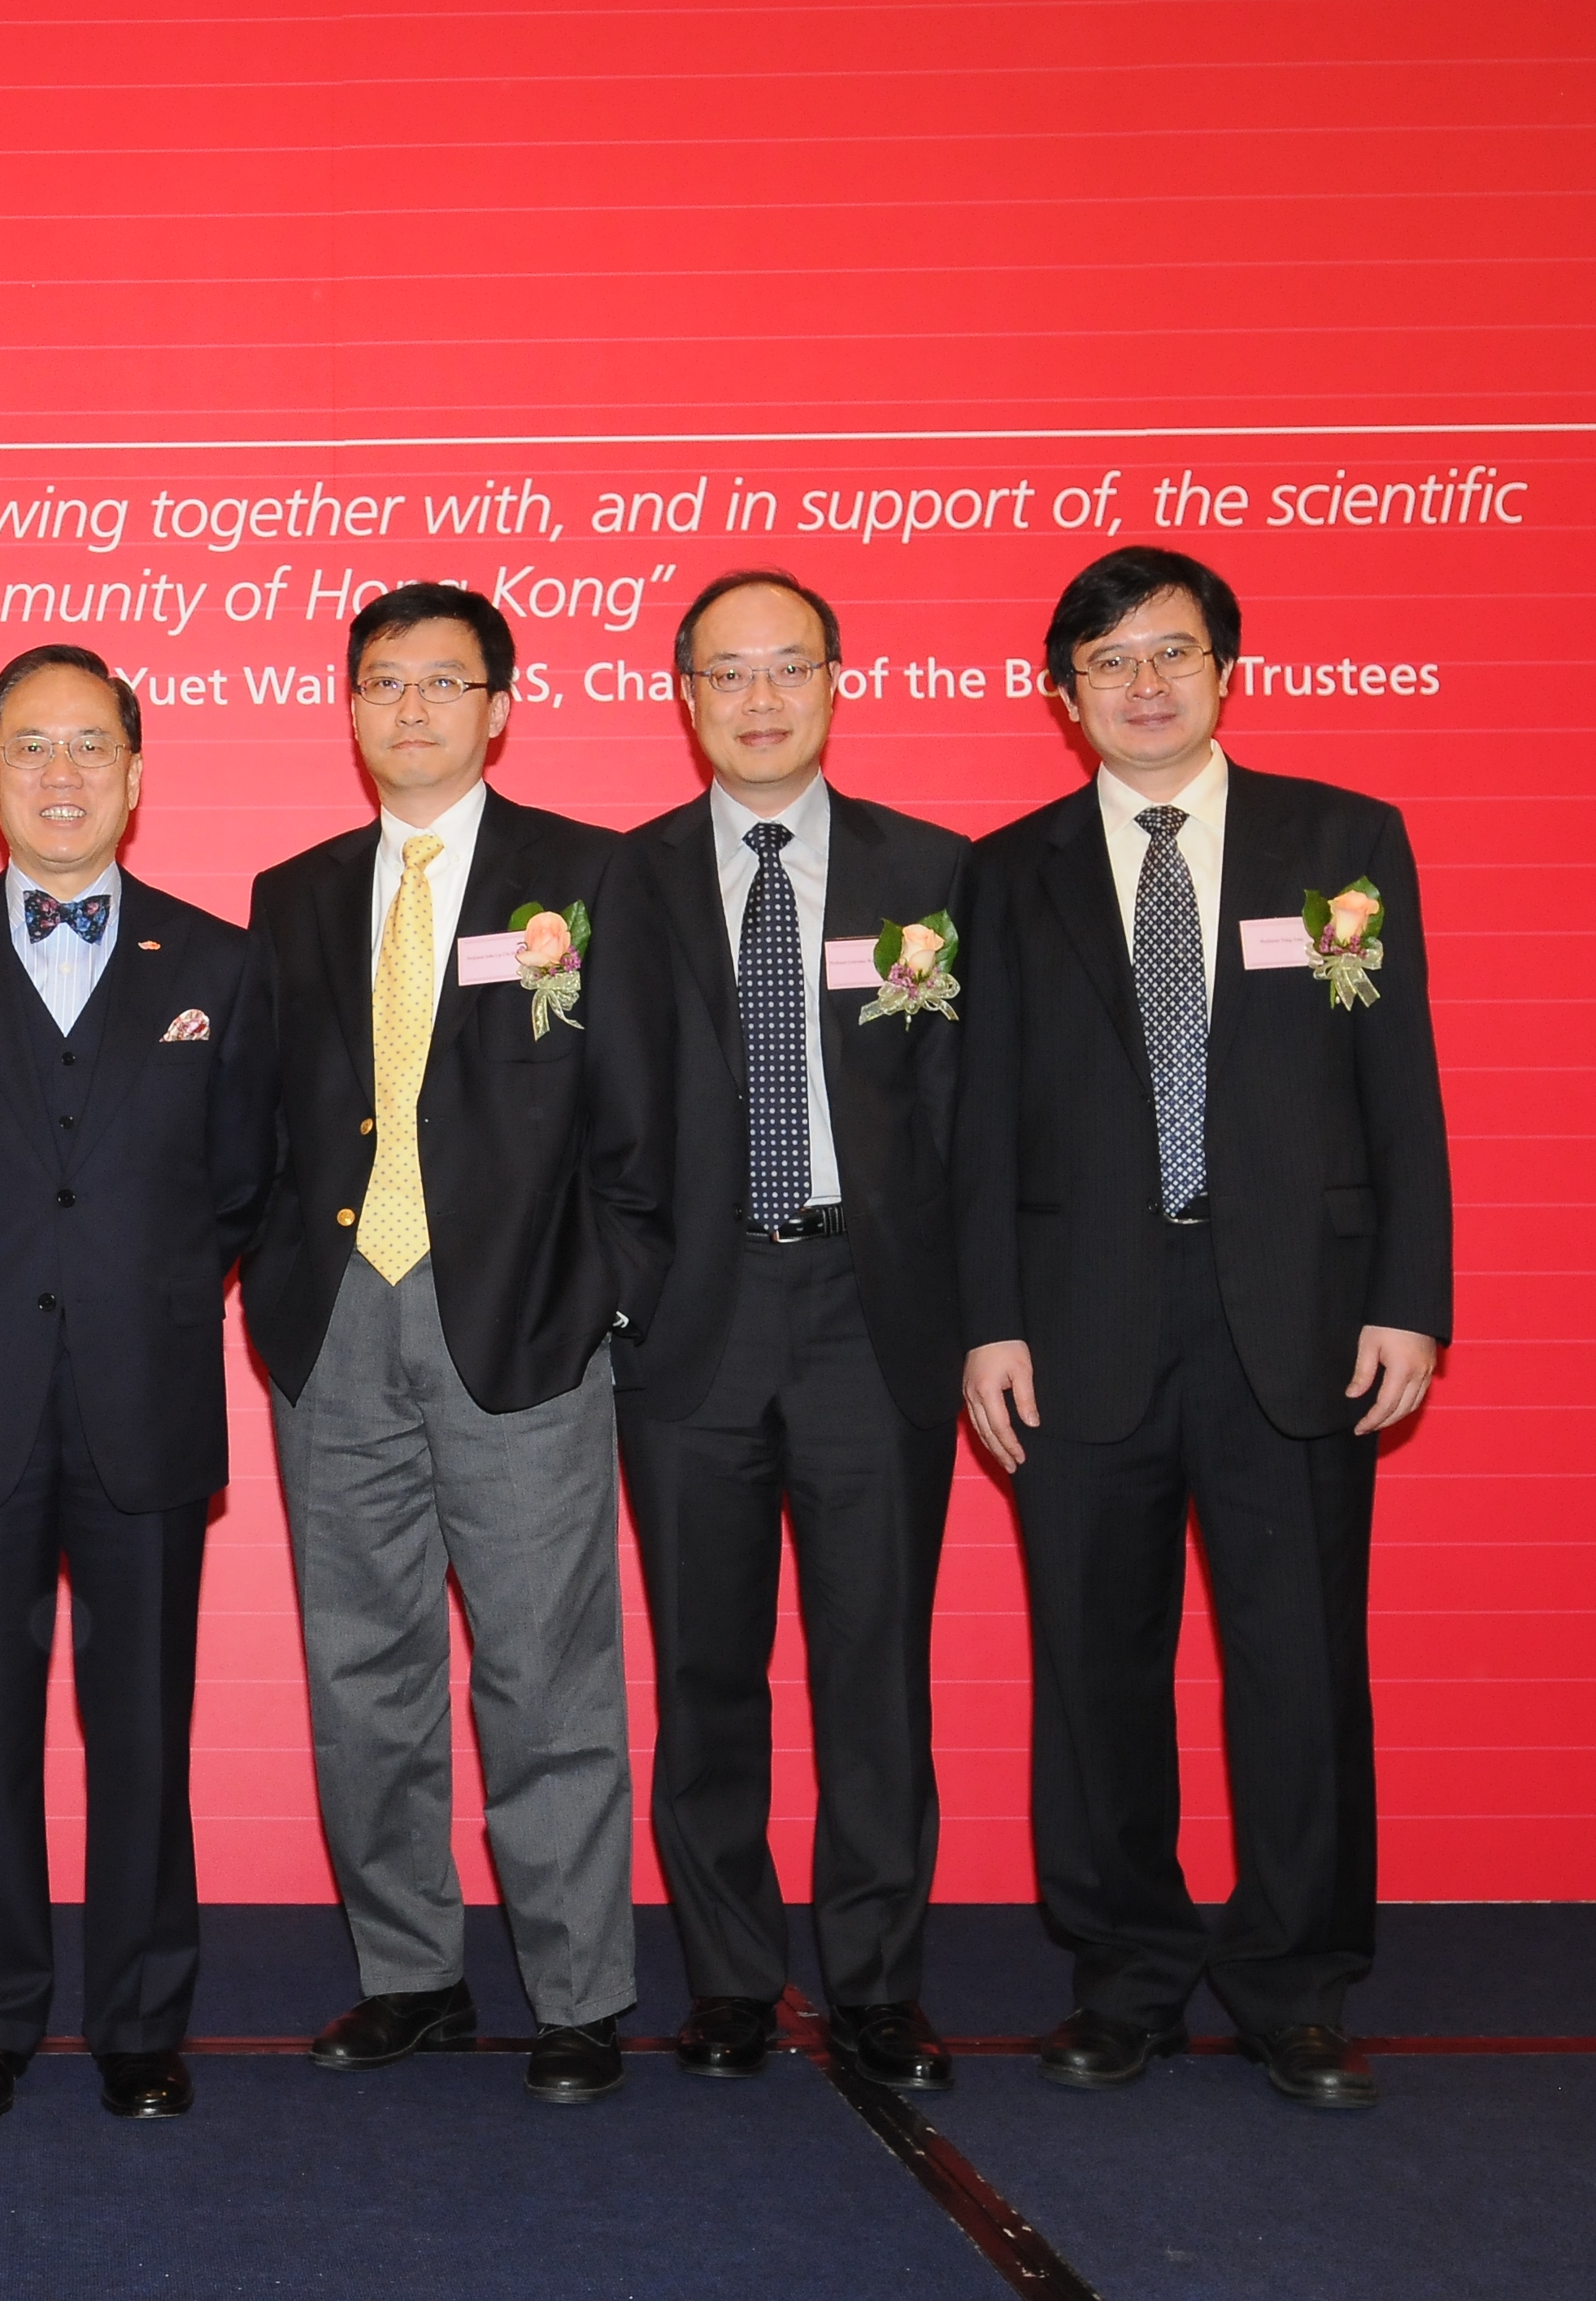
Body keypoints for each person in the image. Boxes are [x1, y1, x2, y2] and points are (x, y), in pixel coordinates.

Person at [956, 546, 1451, 2111]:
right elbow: (979, 1128)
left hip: (1297, 1321)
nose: (1145, 684)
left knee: (1298, 1667)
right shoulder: (1011, 867)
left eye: (1171, 653)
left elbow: (1404, 1093)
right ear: (1063, 695)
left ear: (1227, 670)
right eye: (1108, 663)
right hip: (1082, 1321)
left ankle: (1297, 1984)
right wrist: (988, 1323)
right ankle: (1127, 1977)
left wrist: (1411, 1300)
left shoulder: (1339, 844)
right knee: (1096, 1669)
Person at [0, 644, 276, 2122]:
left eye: (91, 746)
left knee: (145, 1729)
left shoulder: (217, 961)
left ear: (138, 775)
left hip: (146, 1399)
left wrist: (129, 1290)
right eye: (30, 748)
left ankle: (143, 2020)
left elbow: (238, 1187)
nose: (61, 775)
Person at [241, 582, 645, 2105]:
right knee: (365, 1670)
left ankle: (579, 1994)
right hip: (335, 1323)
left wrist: (607, 1291)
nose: (409, 711)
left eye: (442, 684)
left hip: (524, 1322)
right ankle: (409, 1976)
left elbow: (641, 1113)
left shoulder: (590, 877)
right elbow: (264, 1119)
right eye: (382, 684)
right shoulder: (295, 890)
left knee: (546, 1674)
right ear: (348, 707)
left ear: (499, 706)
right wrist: (277, 1282)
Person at [607, 570, 969, 2091]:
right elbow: (590, 1123)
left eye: (790, 671)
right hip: (694, 1321)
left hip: (868, 1318)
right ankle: (734, 1980)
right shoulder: (616, 886)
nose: (760, 701)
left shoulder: (939, 876)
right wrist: (629, 1299)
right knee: (704, 1672)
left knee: (874, 1663)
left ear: (838, 684)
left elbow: (979, 1125)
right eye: (728, 675)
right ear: (683, 699)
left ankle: (879, 1978)